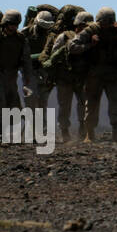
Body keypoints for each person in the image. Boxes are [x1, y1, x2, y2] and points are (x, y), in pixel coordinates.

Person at [69, 6, 117, 142]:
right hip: (94, 74)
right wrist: (90, 44)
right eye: (105, 22)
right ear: (99, 21)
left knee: (115, 102)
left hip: (113, 73)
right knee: (92, 103)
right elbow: (72, 46)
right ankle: (89, 134)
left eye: (110, 21)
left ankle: (116, 132)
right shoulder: (91, 30)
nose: (107, 25)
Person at [38, 10, 91, 143]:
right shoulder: (65, 37)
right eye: (85, 26)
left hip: (81, 79)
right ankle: (65, 132)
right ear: (78, 26)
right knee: (64, 107)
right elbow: (54, 55)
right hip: (64, 79)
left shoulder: (90, 39)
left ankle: (83, 132)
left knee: (84, 106)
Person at [21, 9, 55, 111]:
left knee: (42, 102)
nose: (44, 30)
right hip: (29, 70)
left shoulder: (52, 36)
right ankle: (30, 122)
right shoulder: (25, 33)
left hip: (45, 71)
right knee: (31, 97)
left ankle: (41, 126)